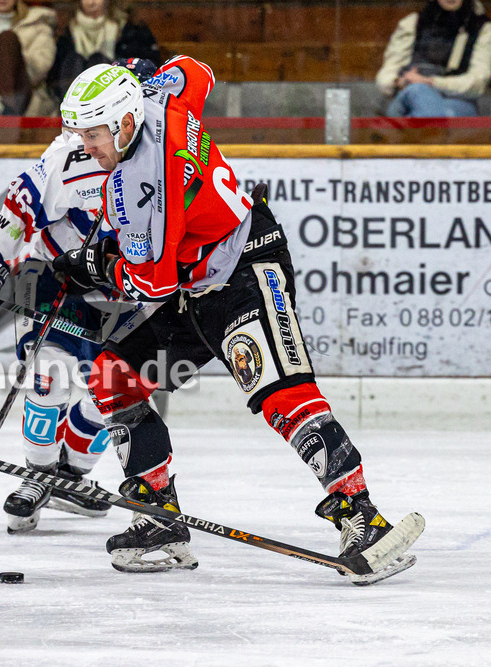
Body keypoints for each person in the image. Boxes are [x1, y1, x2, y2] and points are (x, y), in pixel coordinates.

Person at [51, 60, 424, 582]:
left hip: (244, 266)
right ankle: (158, 515)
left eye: (93, 134)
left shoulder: (143, 182)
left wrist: (94, 265)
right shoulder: (162, 97)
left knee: (278, 389)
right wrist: (144, 75)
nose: (85, 146)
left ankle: (363, 517)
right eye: (80, 134)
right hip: (194, 281)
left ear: (125, 123)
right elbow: (193, 70)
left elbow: (151, 283)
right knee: (115, 374)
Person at [0, 60, 162, 533]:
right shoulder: (73, 153)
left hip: (126, 289)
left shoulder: (168, 157)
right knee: (50, 373)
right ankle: (38, 471)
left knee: (117, 389)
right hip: (56, 276)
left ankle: (71, 476)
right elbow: (20, 202)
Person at [376, 0, 491, 117]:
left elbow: (478, 83)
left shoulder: (481, 28)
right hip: (409, 94)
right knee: (418, 93)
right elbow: (387, 74)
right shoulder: (413, 23)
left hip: (456, 101)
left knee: (433, 111)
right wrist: (399, 82)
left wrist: (431, 82)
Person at [46, 0, 160, 104]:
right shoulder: (67, 31)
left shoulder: (129, 29)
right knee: (75, 61)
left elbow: (147, 66)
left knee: (98, 61)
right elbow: (55, 76)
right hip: (74, 100)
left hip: (118, 100)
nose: (91, 3)